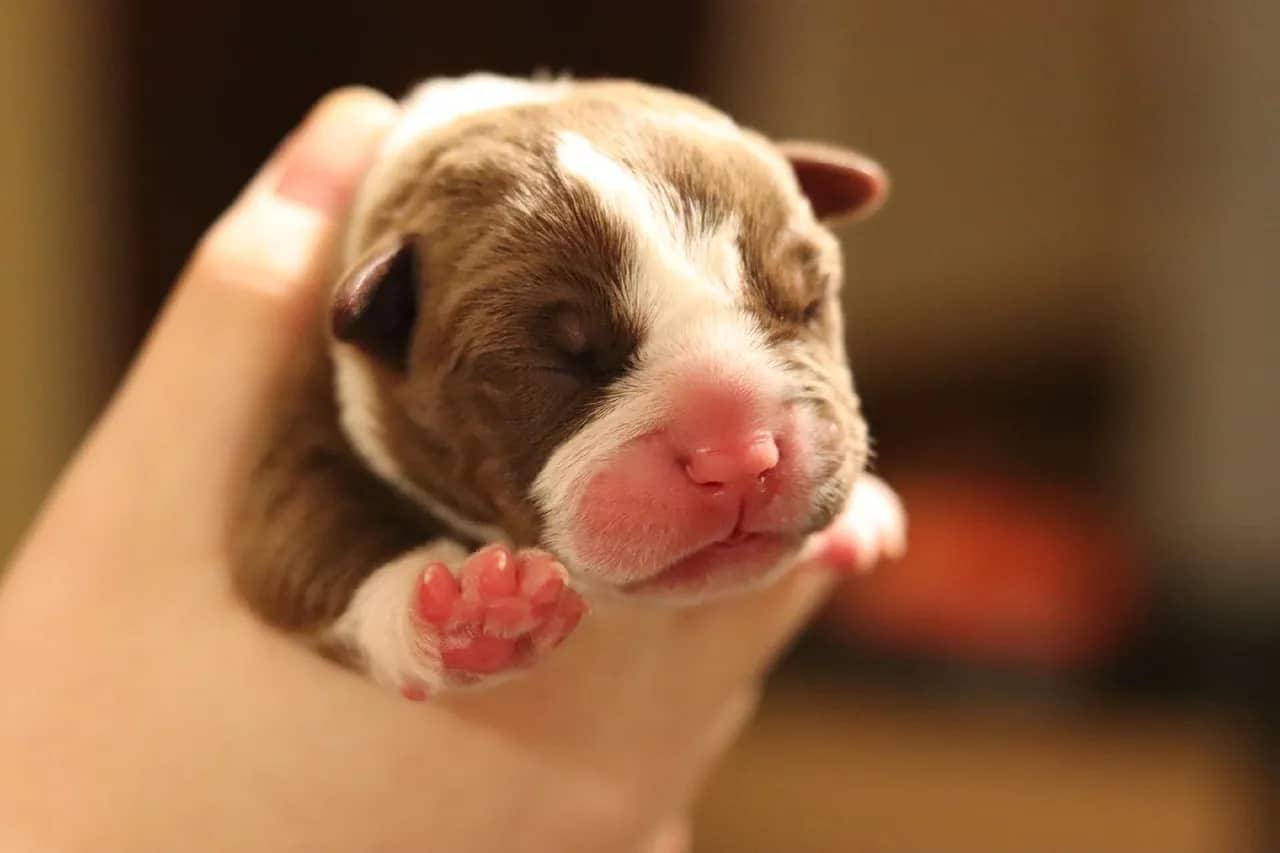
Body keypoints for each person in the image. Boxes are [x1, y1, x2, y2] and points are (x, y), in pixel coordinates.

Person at [0, 88, 866, 852]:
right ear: (387, 322)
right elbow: (292, 523)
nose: (743, 455)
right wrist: (407, 612)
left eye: (798, 305)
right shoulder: (318, 381)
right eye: (569, 367)